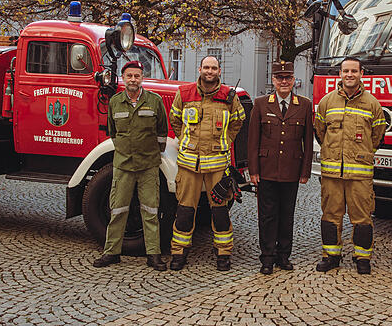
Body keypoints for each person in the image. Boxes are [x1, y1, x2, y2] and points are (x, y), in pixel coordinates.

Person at [168, 55, 245, 271]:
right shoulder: (184, 94)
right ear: (200, 69)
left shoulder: (229, 97)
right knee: (185, 210)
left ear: (219, 71)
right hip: (189, 164)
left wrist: (226, 140)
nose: (209, 71)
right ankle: (179, 253)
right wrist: (185, 138)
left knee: (220, 211)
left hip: (218, 164)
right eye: (206, 67)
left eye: (213, 68)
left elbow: (239, 120)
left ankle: (223, 253)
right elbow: (175, 119)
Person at [93, 60, 169, 271]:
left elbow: (162, 131)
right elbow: (113, 133)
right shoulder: (115, 102)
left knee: (150, 210)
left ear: (142, 78)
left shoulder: (155, 101)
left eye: (137, 76)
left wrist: (153, 152)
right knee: (117, 209)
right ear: (124, 78)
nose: (133, 80)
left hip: (148, 165)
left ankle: (153, 254)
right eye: (129, 76)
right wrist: (126, 151)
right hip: (124, 165)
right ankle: (111, 252)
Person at [314, 56, 386, 274]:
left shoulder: (372, 104)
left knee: (362, 217)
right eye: (346, 71)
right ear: (340, 74)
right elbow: (320, 132)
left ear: (361, 73)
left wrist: (361, 154)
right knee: (330, 215)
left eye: (354, 71)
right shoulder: (326, 102)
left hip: (360, 175)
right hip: (332, 173)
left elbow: (377, 136)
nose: (349, 75)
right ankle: (331, 256)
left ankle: (362, 258)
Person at [247, 60, 313, 275]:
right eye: (279, 78)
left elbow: (308, 141)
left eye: (288, 78)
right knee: (267, 215)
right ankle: (266, 257)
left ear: (293, 80)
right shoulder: (260, 104)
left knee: (287, 214)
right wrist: (254, 171)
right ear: (273, 80)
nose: (284, 82)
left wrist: (305, 171)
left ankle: (283, 255)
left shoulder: (304, 105)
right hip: (266, 170)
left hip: (291, 170)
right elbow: (253, 140)